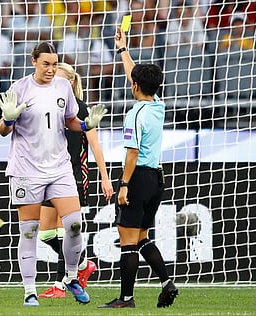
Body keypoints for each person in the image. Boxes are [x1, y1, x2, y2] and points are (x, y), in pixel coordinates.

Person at [0, 41, 107, 307]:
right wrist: (9, 119)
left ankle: (71, 277)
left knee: (74, 226)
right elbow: (3, 130)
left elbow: (69, 119)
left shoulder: (63, 86)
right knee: (30, 232)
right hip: (27, 170)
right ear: (33, 61)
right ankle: (29, 290)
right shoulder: (19, 88)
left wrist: (84, 124)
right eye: (46, 63)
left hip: (59, 168)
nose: (51, 69)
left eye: (54, 64)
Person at [98, 27, 178, 309]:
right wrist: (123, 50)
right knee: (142, 237)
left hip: (138, 177)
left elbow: (131, 154)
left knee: (127, 240)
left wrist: (123, 185)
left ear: (134, 87)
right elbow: (137, 77)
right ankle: (167, 282)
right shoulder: (158, 106)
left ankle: (126, 298)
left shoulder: (134, 115)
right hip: (156, 179)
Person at [38, 62, 114, 299]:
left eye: (59, 79)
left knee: (64, 232)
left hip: (73, 176)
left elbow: (95, 146)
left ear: (70, 82)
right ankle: (82, 264)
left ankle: (61, 286)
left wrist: (105, 177)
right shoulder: (49, 107)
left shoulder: (81, 109)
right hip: (49, 175)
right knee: (45, 234)